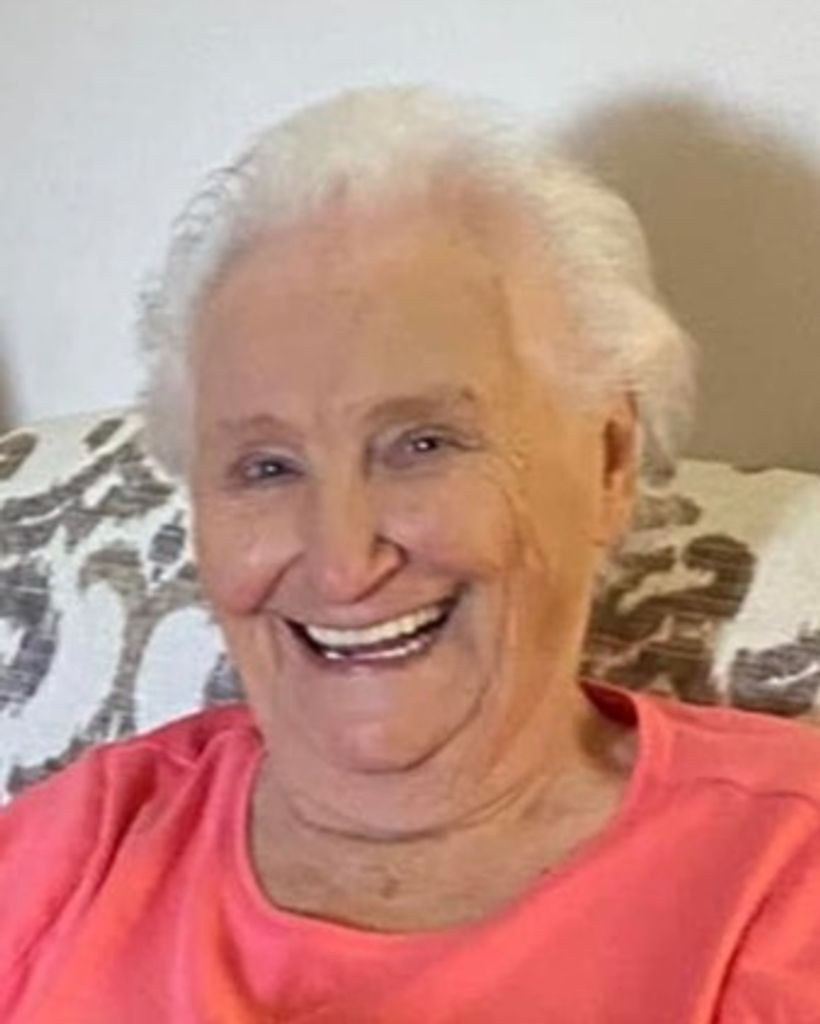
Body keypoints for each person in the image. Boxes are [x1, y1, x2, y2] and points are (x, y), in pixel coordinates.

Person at [2, 85, 819, 1023]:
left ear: (608, 463)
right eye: (266, 467)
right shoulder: (71, 855)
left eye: (422, 444)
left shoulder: (782, 878)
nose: (341, 564)